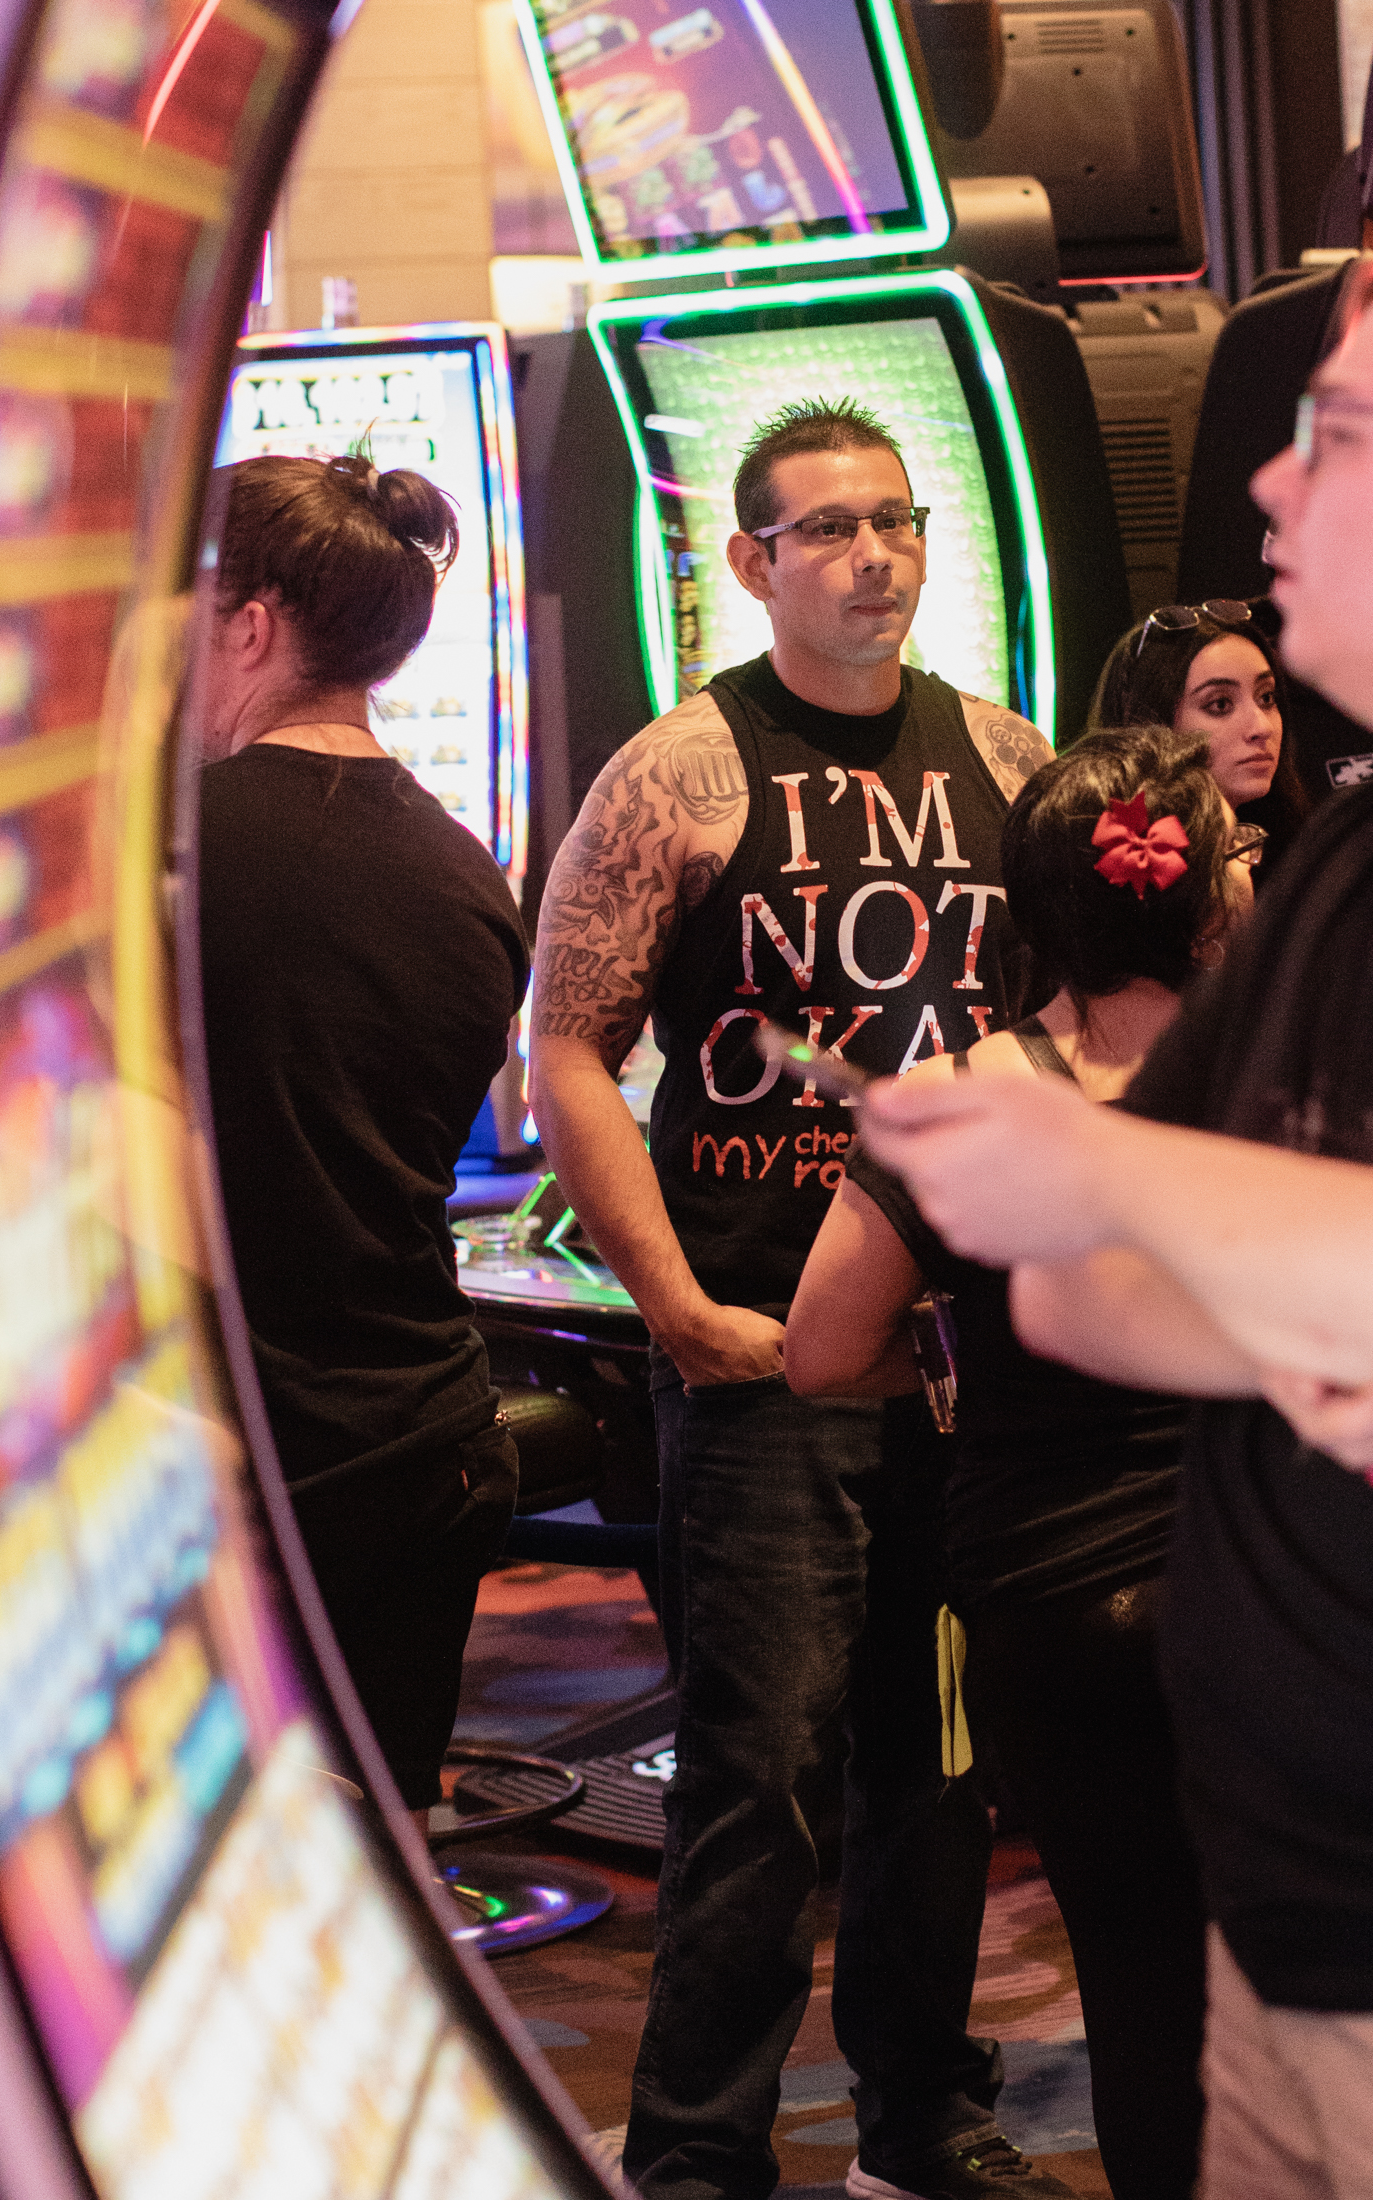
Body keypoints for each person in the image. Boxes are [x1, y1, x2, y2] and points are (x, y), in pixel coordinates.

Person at [856, 254, 1373, 2197]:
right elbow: (1084, 1304)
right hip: (1281, 1919)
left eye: (1338, 440)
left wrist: (1124, 1170)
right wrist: (1367, 1307)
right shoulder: (1360, 862)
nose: (1270, 496)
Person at [528, 397, 1065, 2200]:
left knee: (936, 1777)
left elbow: (1076, 1029)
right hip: (763, 1352)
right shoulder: (685, 770)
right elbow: (572, 1051)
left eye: (894, 522)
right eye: (827, 529)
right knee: (754, 1786)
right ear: (753, 561)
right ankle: (696, 2156)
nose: (871, 556)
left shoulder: (1004, 754)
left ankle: (921, 2118)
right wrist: (671, 1303)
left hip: (968, 1367)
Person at [787, 726, 1251, 2200]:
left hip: (1050, 1608)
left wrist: (958, 1376)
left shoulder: (961, 1098)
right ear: (1202, 906)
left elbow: (816, 1348)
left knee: (1135, 1990)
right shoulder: (1298, 1083)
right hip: (1267, 1598)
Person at [198, 451, 528, 1824]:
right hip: (417, 1441)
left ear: (254, 624)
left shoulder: (166, 855)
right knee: (377, 1876)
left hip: (228, 1454)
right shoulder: (468, 876)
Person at [1090, 601, 1307, 871]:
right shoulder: (1126, 871)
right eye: (1220, 705)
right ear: (1149, 726)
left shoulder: (1302, 847)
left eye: (1266, 697)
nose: (1262, 728)